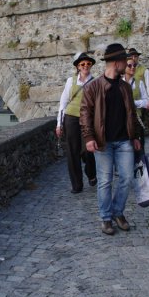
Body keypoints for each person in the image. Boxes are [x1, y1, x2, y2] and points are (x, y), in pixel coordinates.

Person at [80, 43, 142, 235]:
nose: (129, 63)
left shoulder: (125, 87)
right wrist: (89, 137)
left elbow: (132, 113)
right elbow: (85, 114)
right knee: (105, 181)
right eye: (125, 60)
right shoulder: (94, 87)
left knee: (127, 178)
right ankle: (106, 218)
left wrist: (136, 136)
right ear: (116, 63)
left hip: (124, 141)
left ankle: (117, 212)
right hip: (103, 142)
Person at [55, 52, 97, 193]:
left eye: (88, 64)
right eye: (82, 64)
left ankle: (91, 173)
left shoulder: (95, 82)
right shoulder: (71, 81)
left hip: (88, 119)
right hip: (71, 118)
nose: (85, 66)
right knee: (72, 152)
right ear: (78, 67)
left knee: (88, 150)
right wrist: (59, 124)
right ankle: (77, 185)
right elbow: (63, 104)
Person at [123, 52, 149, 154]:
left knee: (139, 144)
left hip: (136, 117)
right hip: (123, 118)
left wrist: (133, 103)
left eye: (134, 65)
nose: (132, 67)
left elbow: (146, 101)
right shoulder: (120, 82)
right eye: (129, 65)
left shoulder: (139, 82)